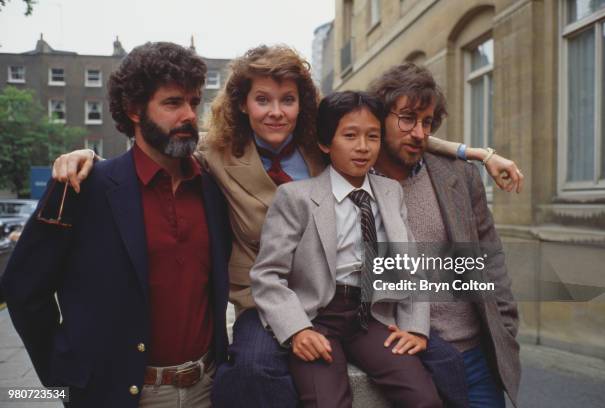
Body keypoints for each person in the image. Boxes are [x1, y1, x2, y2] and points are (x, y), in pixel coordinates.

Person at [50, 45, 522, 408]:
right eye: (263, 100)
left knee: (438, 363)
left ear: (304, 106)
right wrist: (91, 157)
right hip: (265, 295)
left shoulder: (326, 147)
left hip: (346, 297)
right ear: (243, 104)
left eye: (288, 100)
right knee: (253, 370)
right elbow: (158, 148)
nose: (276, 111)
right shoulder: (216, 153)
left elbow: (392, 130)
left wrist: (475, 152)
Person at [0, 42, 231, 408]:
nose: (189, 114)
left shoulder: (213, 187)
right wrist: (67, 375)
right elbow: (23, 288)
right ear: (135, 110)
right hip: (122, 395)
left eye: (194, 101)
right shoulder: (81, 187)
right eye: (173, 103)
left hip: (209, 388)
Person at [250, 90, 442, 408]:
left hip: (372, 315)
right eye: (350, 136)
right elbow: (267, 274)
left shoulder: (390, 192)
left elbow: (411, 266)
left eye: (373, 136)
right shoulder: (296, 197)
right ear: (326, 143)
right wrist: (297, 329)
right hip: (318, 316)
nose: (363, 147)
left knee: (424, 398)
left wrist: (416, 329)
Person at [369, 62, 520, 407]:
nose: (420, 133)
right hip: (405, 356)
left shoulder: (459, 177)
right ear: (379, 119)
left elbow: (489, 258)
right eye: (407, 118)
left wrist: (505, 327)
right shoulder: (357, 177)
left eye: (427, 122)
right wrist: (478, 151)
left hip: (474, 355)